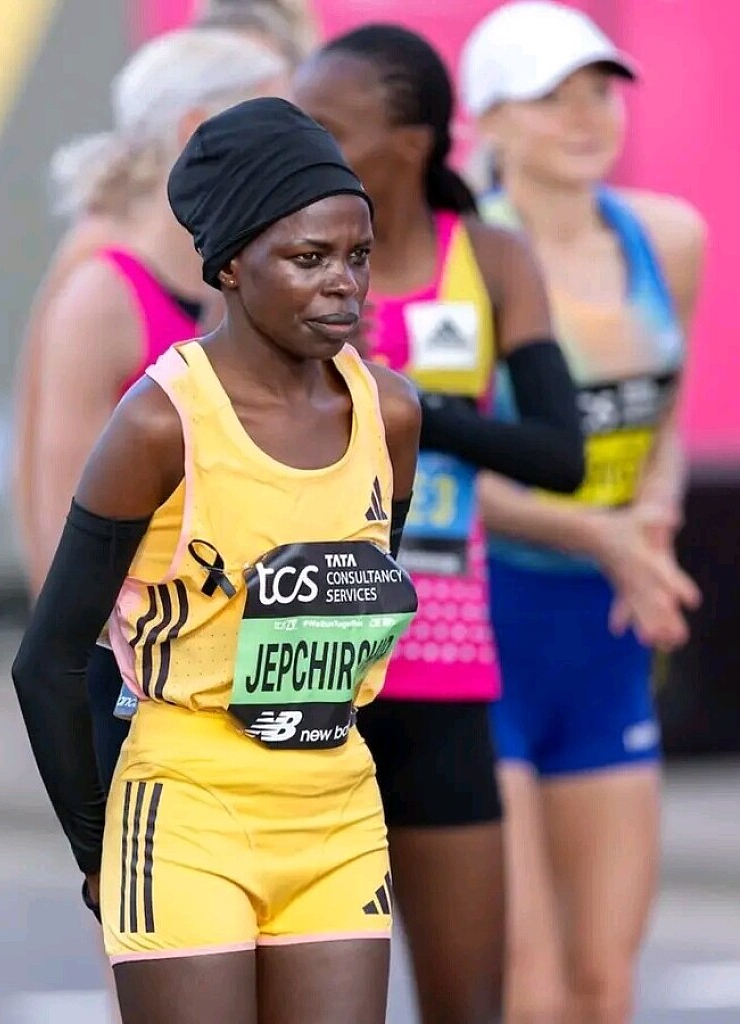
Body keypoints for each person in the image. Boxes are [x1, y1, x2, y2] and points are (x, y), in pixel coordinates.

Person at [12, 97, 421, 1024]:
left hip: (338, 809)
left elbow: (360, 601)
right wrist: (98, 853)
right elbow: (48, 660)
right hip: (188, 805)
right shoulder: (161, 423)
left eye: (358, 256)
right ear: (231, 264)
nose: (344, 286)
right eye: (309, 259)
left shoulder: (390, 413)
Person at [292, 25, 584, 1023]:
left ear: (411, 144)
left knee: (470, 1004)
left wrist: (410, 402)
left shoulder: (490, 258)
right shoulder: (287, 261)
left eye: (328, 127)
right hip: (309, 667)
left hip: (444, 669)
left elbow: (561, 453)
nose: (306, 147)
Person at [459, 3, 706, 1021]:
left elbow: (664, 422)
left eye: (599, 92)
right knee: (527, 975)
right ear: (489, 121)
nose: (586, 118)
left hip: (603, 635)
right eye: (551, 99)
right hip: (484, 627)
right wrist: (599, 536)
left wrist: (652, 522)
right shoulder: (461, 257)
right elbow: (439, 470)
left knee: (604, 979)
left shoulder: (669, 238)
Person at [11, 27, 288, 793]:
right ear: (198, 128)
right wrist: (83, 690)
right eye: (279, 120)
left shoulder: (244, 282)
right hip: (141, 678)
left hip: (242, 667)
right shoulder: (104, 292)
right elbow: (58, 519)